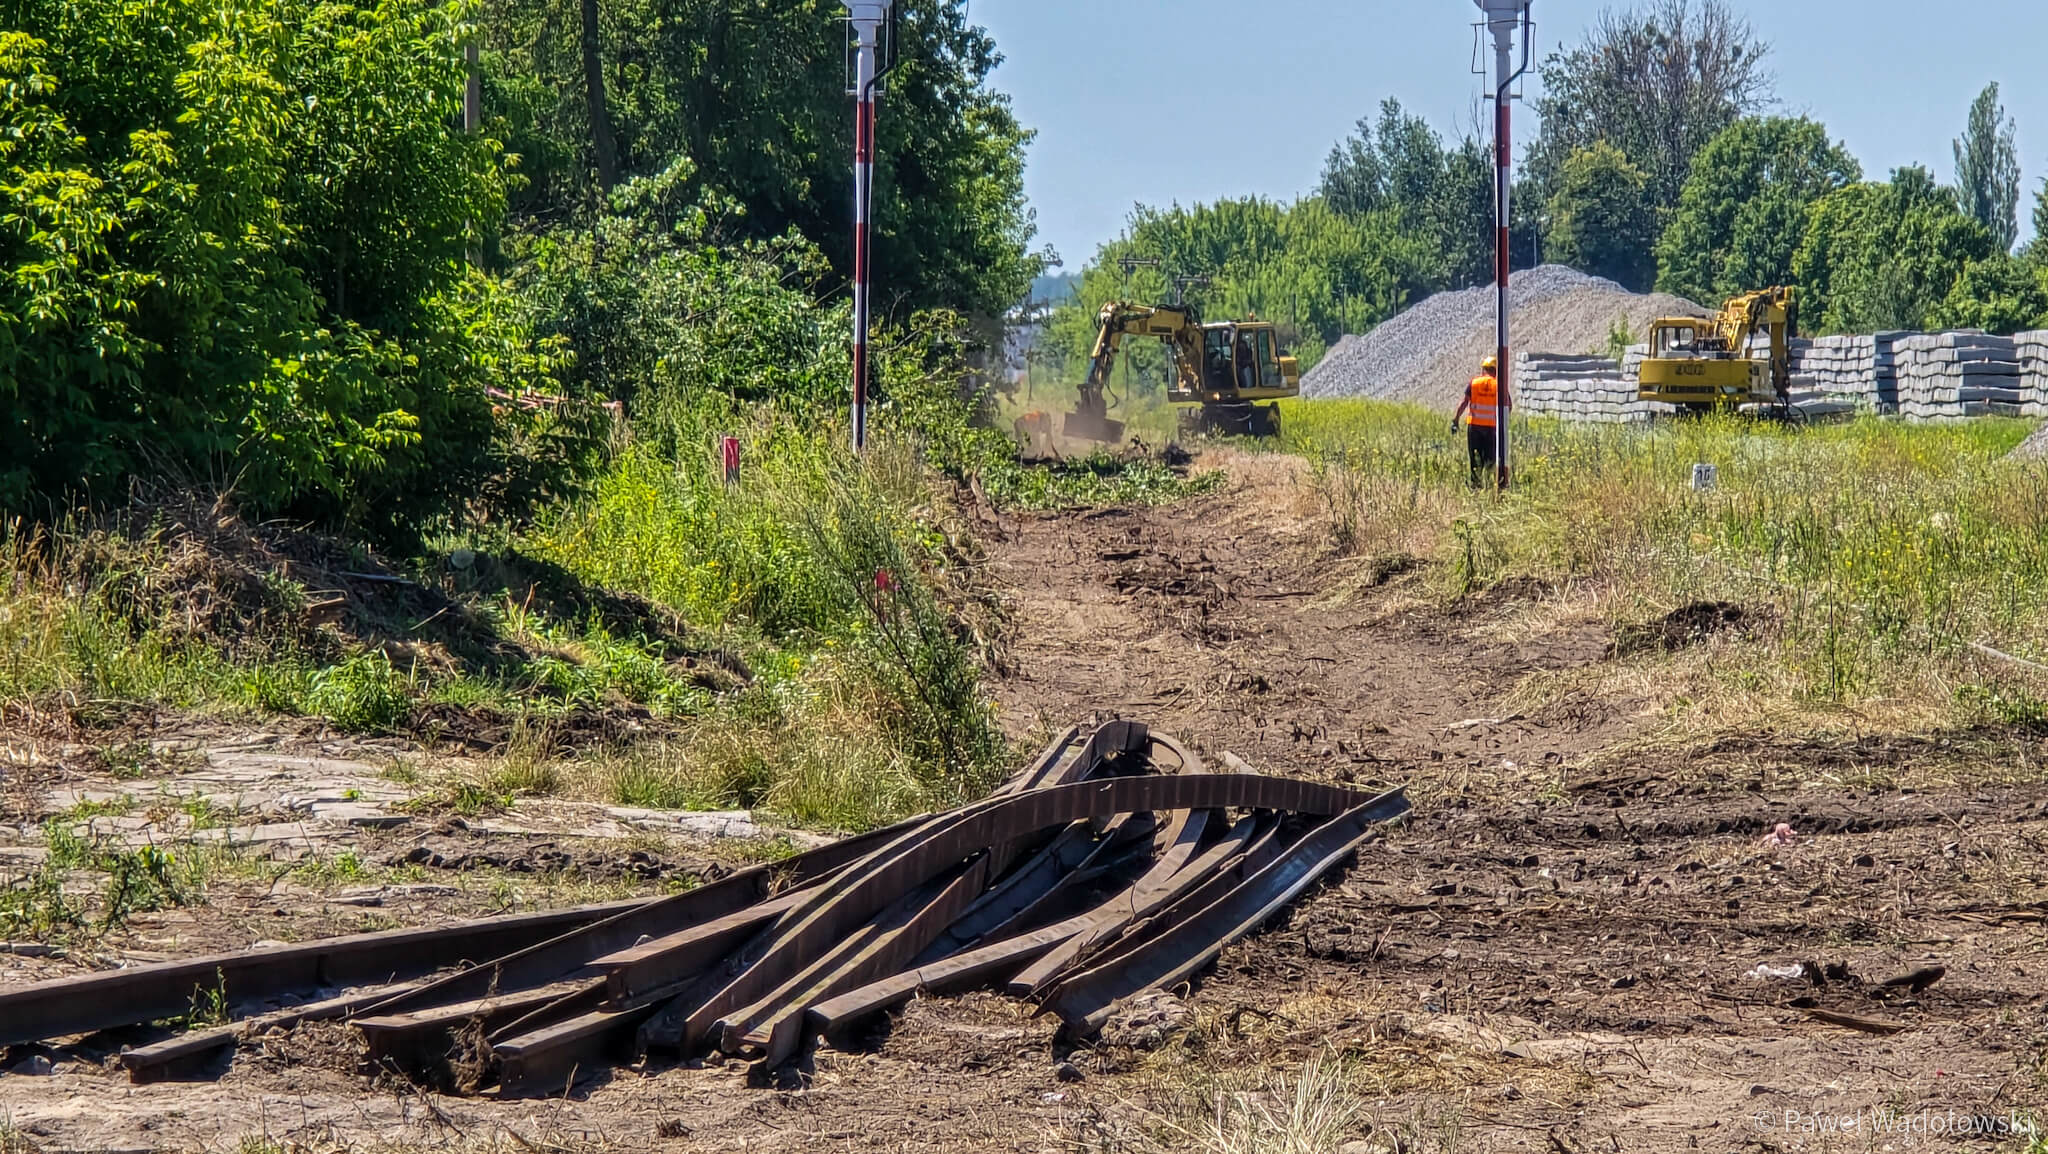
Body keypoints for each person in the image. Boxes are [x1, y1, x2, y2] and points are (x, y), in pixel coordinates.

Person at [1452, 355, 1500, 488]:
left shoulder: (1474, 383)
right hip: (1491, 428)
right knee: (1489, 459)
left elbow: (1464, 403)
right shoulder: (1498, 385)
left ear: (1484, 369)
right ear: (1496, 370)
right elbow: (1509, 406)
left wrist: (1456, 420)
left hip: (1474, 427)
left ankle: (1475, 485)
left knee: (1474, 458)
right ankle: (1489, 485)